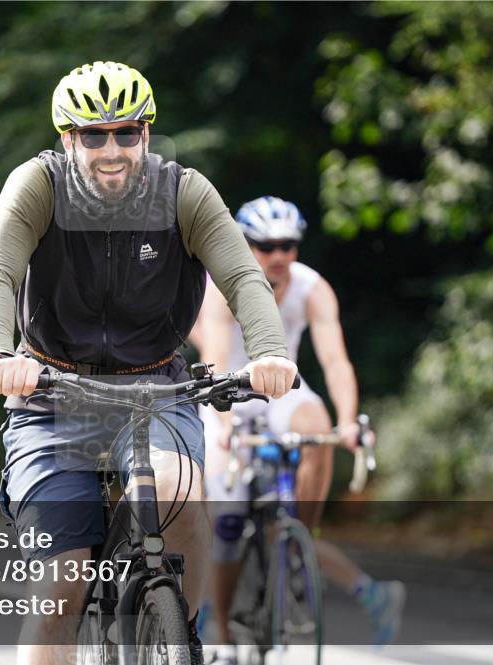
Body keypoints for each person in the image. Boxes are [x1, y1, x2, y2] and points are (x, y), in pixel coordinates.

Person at [0, 62, 298, 665]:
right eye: (94, 136)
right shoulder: (38, 186)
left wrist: (269, 352)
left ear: (146, 133)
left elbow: (244, 279)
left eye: (126, 133)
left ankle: (181, 633)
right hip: (52, 393)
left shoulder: (183, 193)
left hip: (157, 390)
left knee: (179, 493)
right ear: (68, 139)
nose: (112, 150)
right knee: (61, 587)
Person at [189, 196, 406, 662]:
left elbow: (335, 362)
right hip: (227, 391)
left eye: (288, 245)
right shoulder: (220, 286)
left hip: (280, 390)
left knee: (317, 425)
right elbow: (215, 358)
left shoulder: (311, 287)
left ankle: (296, 538)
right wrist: (224, 426)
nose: (279, 255)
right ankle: (220, 629)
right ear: (245, 245)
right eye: (266, 246)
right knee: (227, 515)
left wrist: (347, 422)